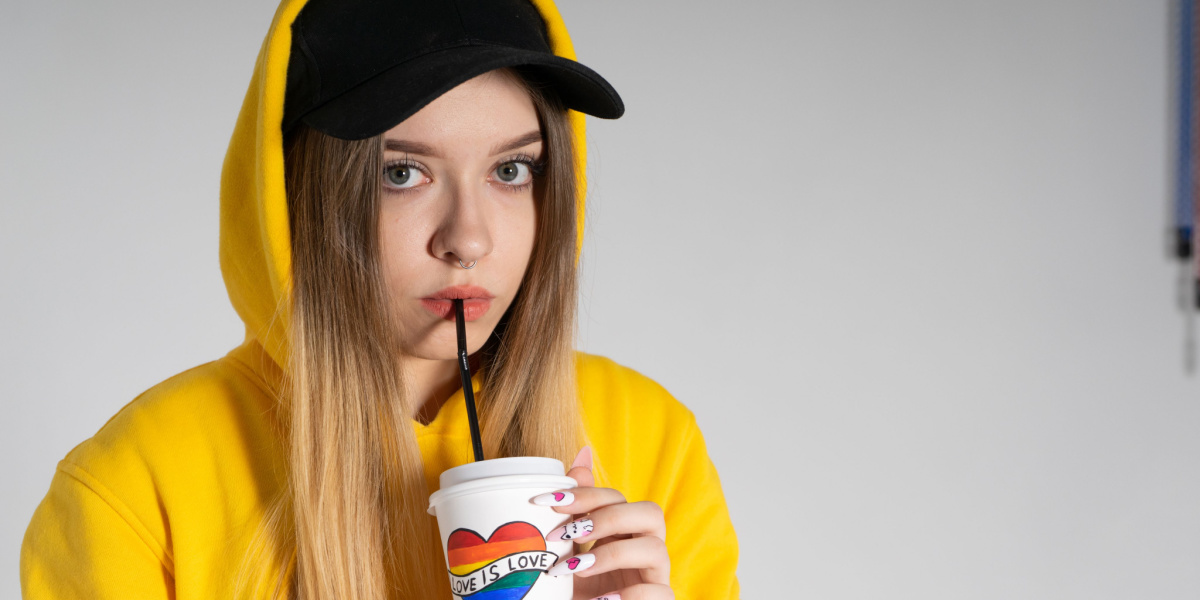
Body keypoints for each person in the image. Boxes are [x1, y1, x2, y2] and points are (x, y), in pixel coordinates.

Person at [19, 0, 739, 598]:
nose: (468, 239)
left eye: (512, 169)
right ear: (297, 196)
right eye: (402, 174)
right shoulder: (137, 488)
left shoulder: (652, 446)